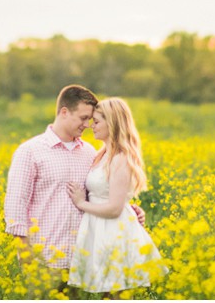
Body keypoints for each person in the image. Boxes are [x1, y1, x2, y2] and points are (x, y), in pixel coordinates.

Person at [3, 85, 145, 295]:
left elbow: (99, 193)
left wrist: (128, 209)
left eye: (91, 119)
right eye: (83, 117)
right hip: (45, 260)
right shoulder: (30, 151)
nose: (88, 125)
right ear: (64, 112)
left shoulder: (90, 153)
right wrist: (26, 257)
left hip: (81, 260)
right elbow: (15, 208)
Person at [66, 97, 168, 296]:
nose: (91, 126)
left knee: (115, 294)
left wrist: (81, 203)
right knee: (107, 294)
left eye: (96, 122)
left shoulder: (121, 158)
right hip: (100, 228)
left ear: (111, 123)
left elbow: (114, 209)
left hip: (114, 231)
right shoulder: (102, 154)